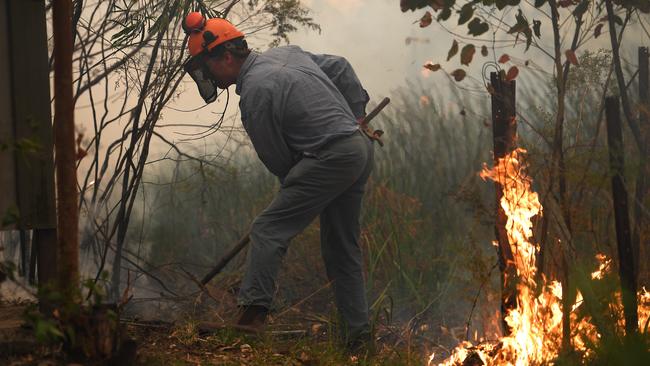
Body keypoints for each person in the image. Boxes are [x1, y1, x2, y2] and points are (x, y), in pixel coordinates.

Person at [182, 12, 374, 349]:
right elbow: (341, 67)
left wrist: (300, 186)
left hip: (329, 158)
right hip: (358, 149)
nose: (206, 75)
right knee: (341, 248)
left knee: (269, 228)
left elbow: (279, 162)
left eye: (205, 66)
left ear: (226, 57)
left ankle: (252, 318)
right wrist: (356, 116)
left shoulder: (255, 93)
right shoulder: (287, 53)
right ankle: (358, 338)